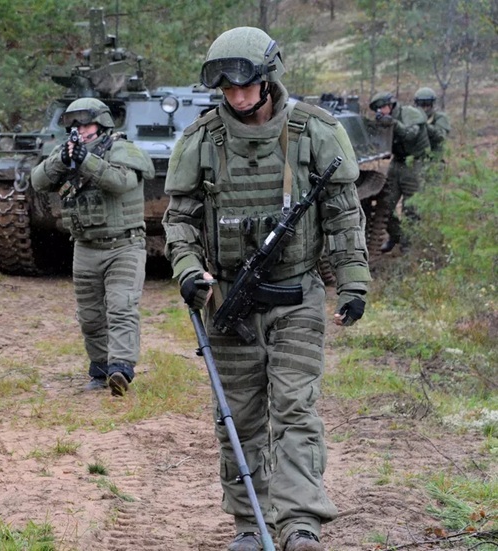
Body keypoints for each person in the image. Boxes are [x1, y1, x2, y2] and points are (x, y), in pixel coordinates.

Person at [163, 27, 369, 551]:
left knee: (294, 408)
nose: (236, 97)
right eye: (226, 89)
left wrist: (353, 282)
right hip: (229, 300)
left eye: (245, 85)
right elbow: (180, 219)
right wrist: (188, 269)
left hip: (296, 295)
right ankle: (250, 523)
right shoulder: (201, 140)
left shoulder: (313, 132)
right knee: (239, 415)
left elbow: (344, 215)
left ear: (269, 77)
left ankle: (299, 521)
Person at [30, 97, 155, 397]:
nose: (80, 130)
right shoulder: (66, 153)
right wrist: (62, 160)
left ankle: (121, 368)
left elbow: (121, 181)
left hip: (124, 245)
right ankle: (100, 369)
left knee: (121, 307)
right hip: (85, 247)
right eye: (74, 124)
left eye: (86, 124)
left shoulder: (121, 149)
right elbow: (37, 181)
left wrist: (86, 159)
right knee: (90, 316)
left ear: (101, 124)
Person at [368, 91, 430, 252]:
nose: (380, 112)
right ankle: (397, 236)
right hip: (397, 163)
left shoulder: (410, 113)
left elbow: (411, 135)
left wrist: (393, 123)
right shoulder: (384, 120)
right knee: (385, 205)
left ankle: (409, 245)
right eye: (377, 110)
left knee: (411, 208)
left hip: (415, 162)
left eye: (381, 108)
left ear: (390, 105)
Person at [414, 86, 451, 160]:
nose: (425, 108)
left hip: (433, 157)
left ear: (432, 104)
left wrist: (425, 125)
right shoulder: (412, 117)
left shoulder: (440, 117)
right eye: (421, 104)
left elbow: (441, 136)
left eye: (427, 103)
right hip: (414, 157)